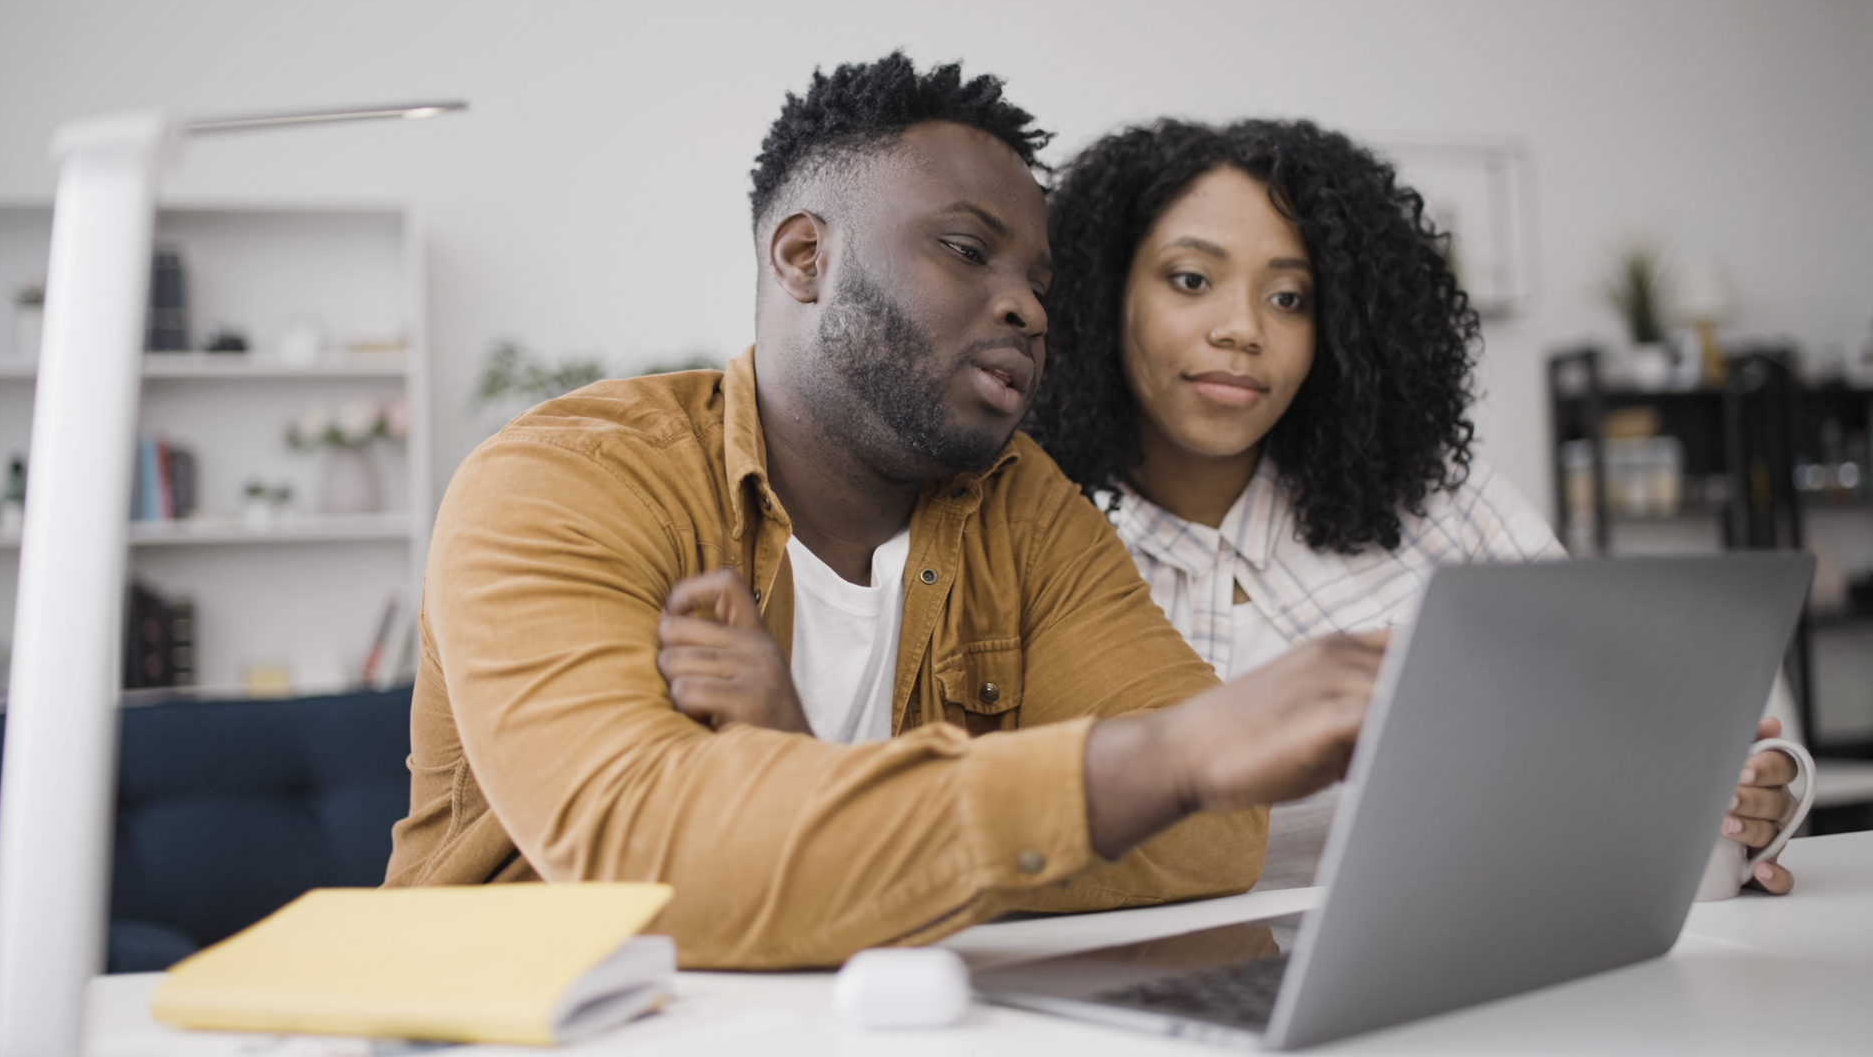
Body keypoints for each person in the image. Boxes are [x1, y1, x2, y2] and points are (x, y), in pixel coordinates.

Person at [385, 56, 1387, 968]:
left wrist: (815, 775)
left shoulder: (1024, 507)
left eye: (1037, 282)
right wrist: (1164, 761)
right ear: (802, 257)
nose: (1030, 309)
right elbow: (643, 867)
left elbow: (1211, 836)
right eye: (966, 250)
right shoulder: (566, 481)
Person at [1024, 118, 1803, 892]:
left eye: (1291, 297)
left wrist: (1744, 796)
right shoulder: (1028, 541)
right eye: (1191, 280)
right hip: (1144, 994)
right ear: (1103, 295)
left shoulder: (1444, 509)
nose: (1243, 330)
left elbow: (1624, 723)